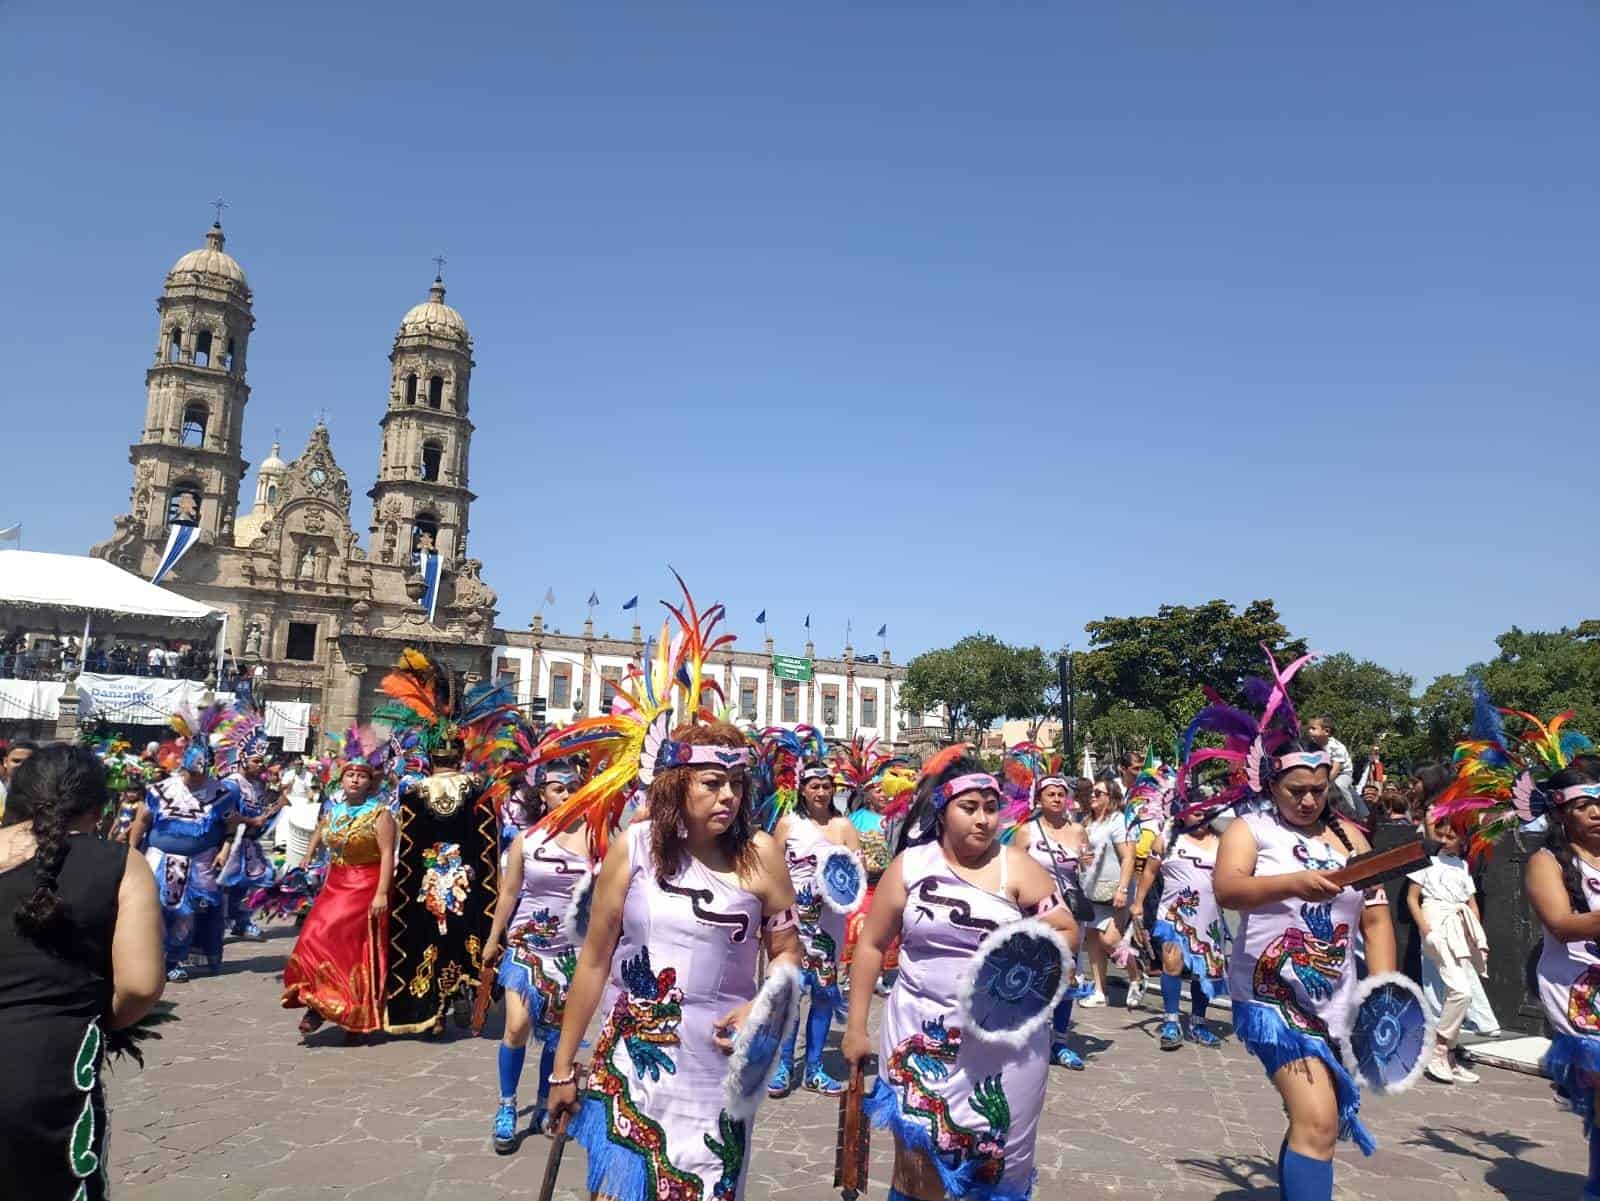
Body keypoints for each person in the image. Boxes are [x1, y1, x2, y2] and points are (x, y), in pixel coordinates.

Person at [545, 716, 802, 1200]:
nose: (729, 795)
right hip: (632, 1067)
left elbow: (788, 951)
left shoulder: (762, 855)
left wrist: (764, 1002)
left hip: (716, 1075)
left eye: (737, 784)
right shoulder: (634, 848)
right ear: (676, 785)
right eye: (712, 783)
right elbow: (595, 961)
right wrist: (562, 1069)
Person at [843, 749, 1076, 1201]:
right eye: (969, 809)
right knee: (916, 1173)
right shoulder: (910, 867)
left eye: (991, 809)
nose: (983, 820)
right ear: (942, 812)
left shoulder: (1018, 867)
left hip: (1005, 1050)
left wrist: (1019, 958)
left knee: (994, 1172)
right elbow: (871, 946)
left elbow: (1066, 930)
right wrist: (855, 1028)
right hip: (919, 1037)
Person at [1209, 650, 1397, 1201]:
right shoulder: (1250, 830)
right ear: (1272, 785)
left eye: (1318, 790)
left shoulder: (1350, 839)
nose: (1310, 799)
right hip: (1272, 998)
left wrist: (1382, 990)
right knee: (1318, 1122)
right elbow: (1229, 889)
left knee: (1316, 1119)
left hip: (1334, 997)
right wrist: (1292, 884)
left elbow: (1378, 917)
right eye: (1297, 791)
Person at [0, 744, 165, 1201]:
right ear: (97, 809)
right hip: (46, 1071)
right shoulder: (119, 863)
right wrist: (97, 1022)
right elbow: (140, 984)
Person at [374, 648, 510, 1036]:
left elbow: (405, 844)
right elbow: (488, 843)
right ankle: (462, 991)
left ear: (432, 757)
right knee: (464, 935)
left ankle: (430, 1007)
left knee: (425, 939)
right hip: (468, 884)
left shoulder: (412, 792)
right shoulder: (480, 789)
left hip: (423, 884)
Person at [482, 766, 592, 1150]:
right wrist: (494, 938)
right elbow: (509, 894)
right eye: (558, 789)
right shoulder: (526, 841)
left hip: (573, 954)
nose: (566, 795)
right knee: (516, 1026)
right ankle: (508, 1104)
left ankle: (548, 1102)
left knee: (557, 1039)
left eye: (573, 789)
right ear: (542, 795)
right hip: (527, 946)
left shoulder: (597, 841)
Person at [282, 729, 395, 1041]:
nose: (355, 780)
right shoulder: (335, 808)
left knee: (349, 949)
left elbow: (387, 854)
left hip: (366, 885)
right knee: (314, 938)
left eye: (361, 776)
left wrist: (382, 893)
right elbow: (322, 828)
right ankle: (318, 1002)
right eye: (350, 775)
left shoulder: (380, 814)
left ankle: (352, 1014)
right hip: (336, 882)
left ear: (370, 782)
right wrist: (308, 855)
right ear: (341, 779)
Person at [768, 750, 862, 1097]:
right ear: (802, 790)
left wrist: (837, 894)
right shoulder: (789, 825)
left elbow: (856, 873)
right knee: (792, 993)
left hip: (829, 925)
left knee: (823, 994)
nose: (821, 793)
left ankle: (815, 1068)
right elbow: (773, 869)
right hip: (793, 922)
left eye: (826, 786)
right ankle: (781, 1067)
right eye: (814, 786)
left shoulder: (844, 827)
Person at [125, 706, 243, 982]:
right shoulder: (161, 790)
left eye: (200, 771)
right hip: (158, 859)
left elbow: (231, 825)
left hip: (199, 864)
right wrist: (131, 852)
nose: (195, 776)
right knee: (152, 910)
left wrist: (225, 851)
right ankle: (149, 957)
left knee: (185, 913)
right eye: (191, 770)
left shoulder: (223, 793)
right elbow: (141, 821)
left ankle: (174, 959)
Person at [1013, 754, 1090, 1069]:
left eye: (1061, 794)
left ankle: (1060, 1041)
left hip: (1068, 913)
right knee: (1031, 974)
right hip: (1033, 911)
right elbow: (1014, 870)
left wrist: (1089, 866)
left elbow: (1087, 870)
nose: (1057, 799)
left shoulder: (1078, 831)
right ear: (1039, 799)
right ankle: (1028, 1037)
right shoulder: (1026, 832)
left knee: (1066, 974)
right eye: (1051, 794)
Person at [1405, 814, 1486, 1084]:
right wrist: (1425, 928)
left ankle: (1448, 1056)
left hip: (1457, 926)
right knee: (1460, 990)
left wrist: (1473, 929)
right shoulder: (1427, 861)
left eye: (1451, 836)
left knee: (1461, 991)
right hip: (1435, 921)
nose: (1444, 840)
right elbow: (1412, 898)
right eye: (1441, 835)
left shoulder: (1462, 865)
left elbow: (1471, 901)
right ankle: (1439, 1049)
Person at [1139, 810, 1228, 1051]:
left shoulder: (1223, 842)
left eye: (1207, 812)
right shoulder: (1168, 838)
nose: (1202, 818)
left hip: (1209, 919)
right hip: (1173, 915)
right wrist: (1138, 904)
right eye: (1196, 812)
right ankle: (1171, 1021)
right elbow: (1149, 871)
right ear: (1184, 814)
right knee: (1172, 965)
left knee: (1203, 970)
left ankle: (1198, 1022)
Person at [1080, 777, 1140, 1007]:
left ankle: (1136, 974)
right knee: (1093, 938)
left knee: (1110, 940)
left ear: (1111, 798)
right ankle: (1099, 990)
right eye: (1092, 793)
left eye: (1098, 793)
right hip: (1091, 888)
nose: (1092, 796)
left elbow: (1128, 857)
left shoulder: (1117, 821)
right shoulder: (1088, 822)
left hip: (1114, 888)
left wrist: (1123, 889)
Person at [0, 737, 37, 820]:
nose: (21, 765)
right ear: (5, 762)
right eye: (16, 761)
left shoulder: (45, 795)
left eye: (28, 762)